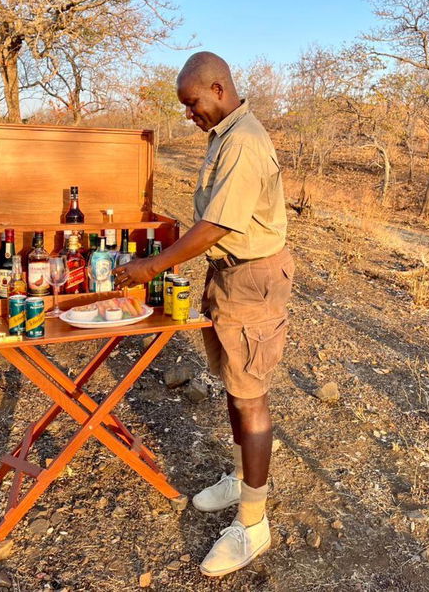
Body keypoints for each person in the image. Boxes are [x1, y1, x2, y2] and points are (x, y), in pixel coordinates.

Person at [114, 51, 294, 578]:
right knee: (235, 385)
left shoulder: (243, 141)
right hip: (230, 276)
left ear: (218, 89)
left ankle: (254, 524)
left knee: (250, 395)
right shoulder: (224, 136)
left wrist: (152, 266)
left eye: (192, 104)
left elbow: (217, 225)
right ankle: (242, 479)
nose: (189, 114)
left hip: (254, 280)